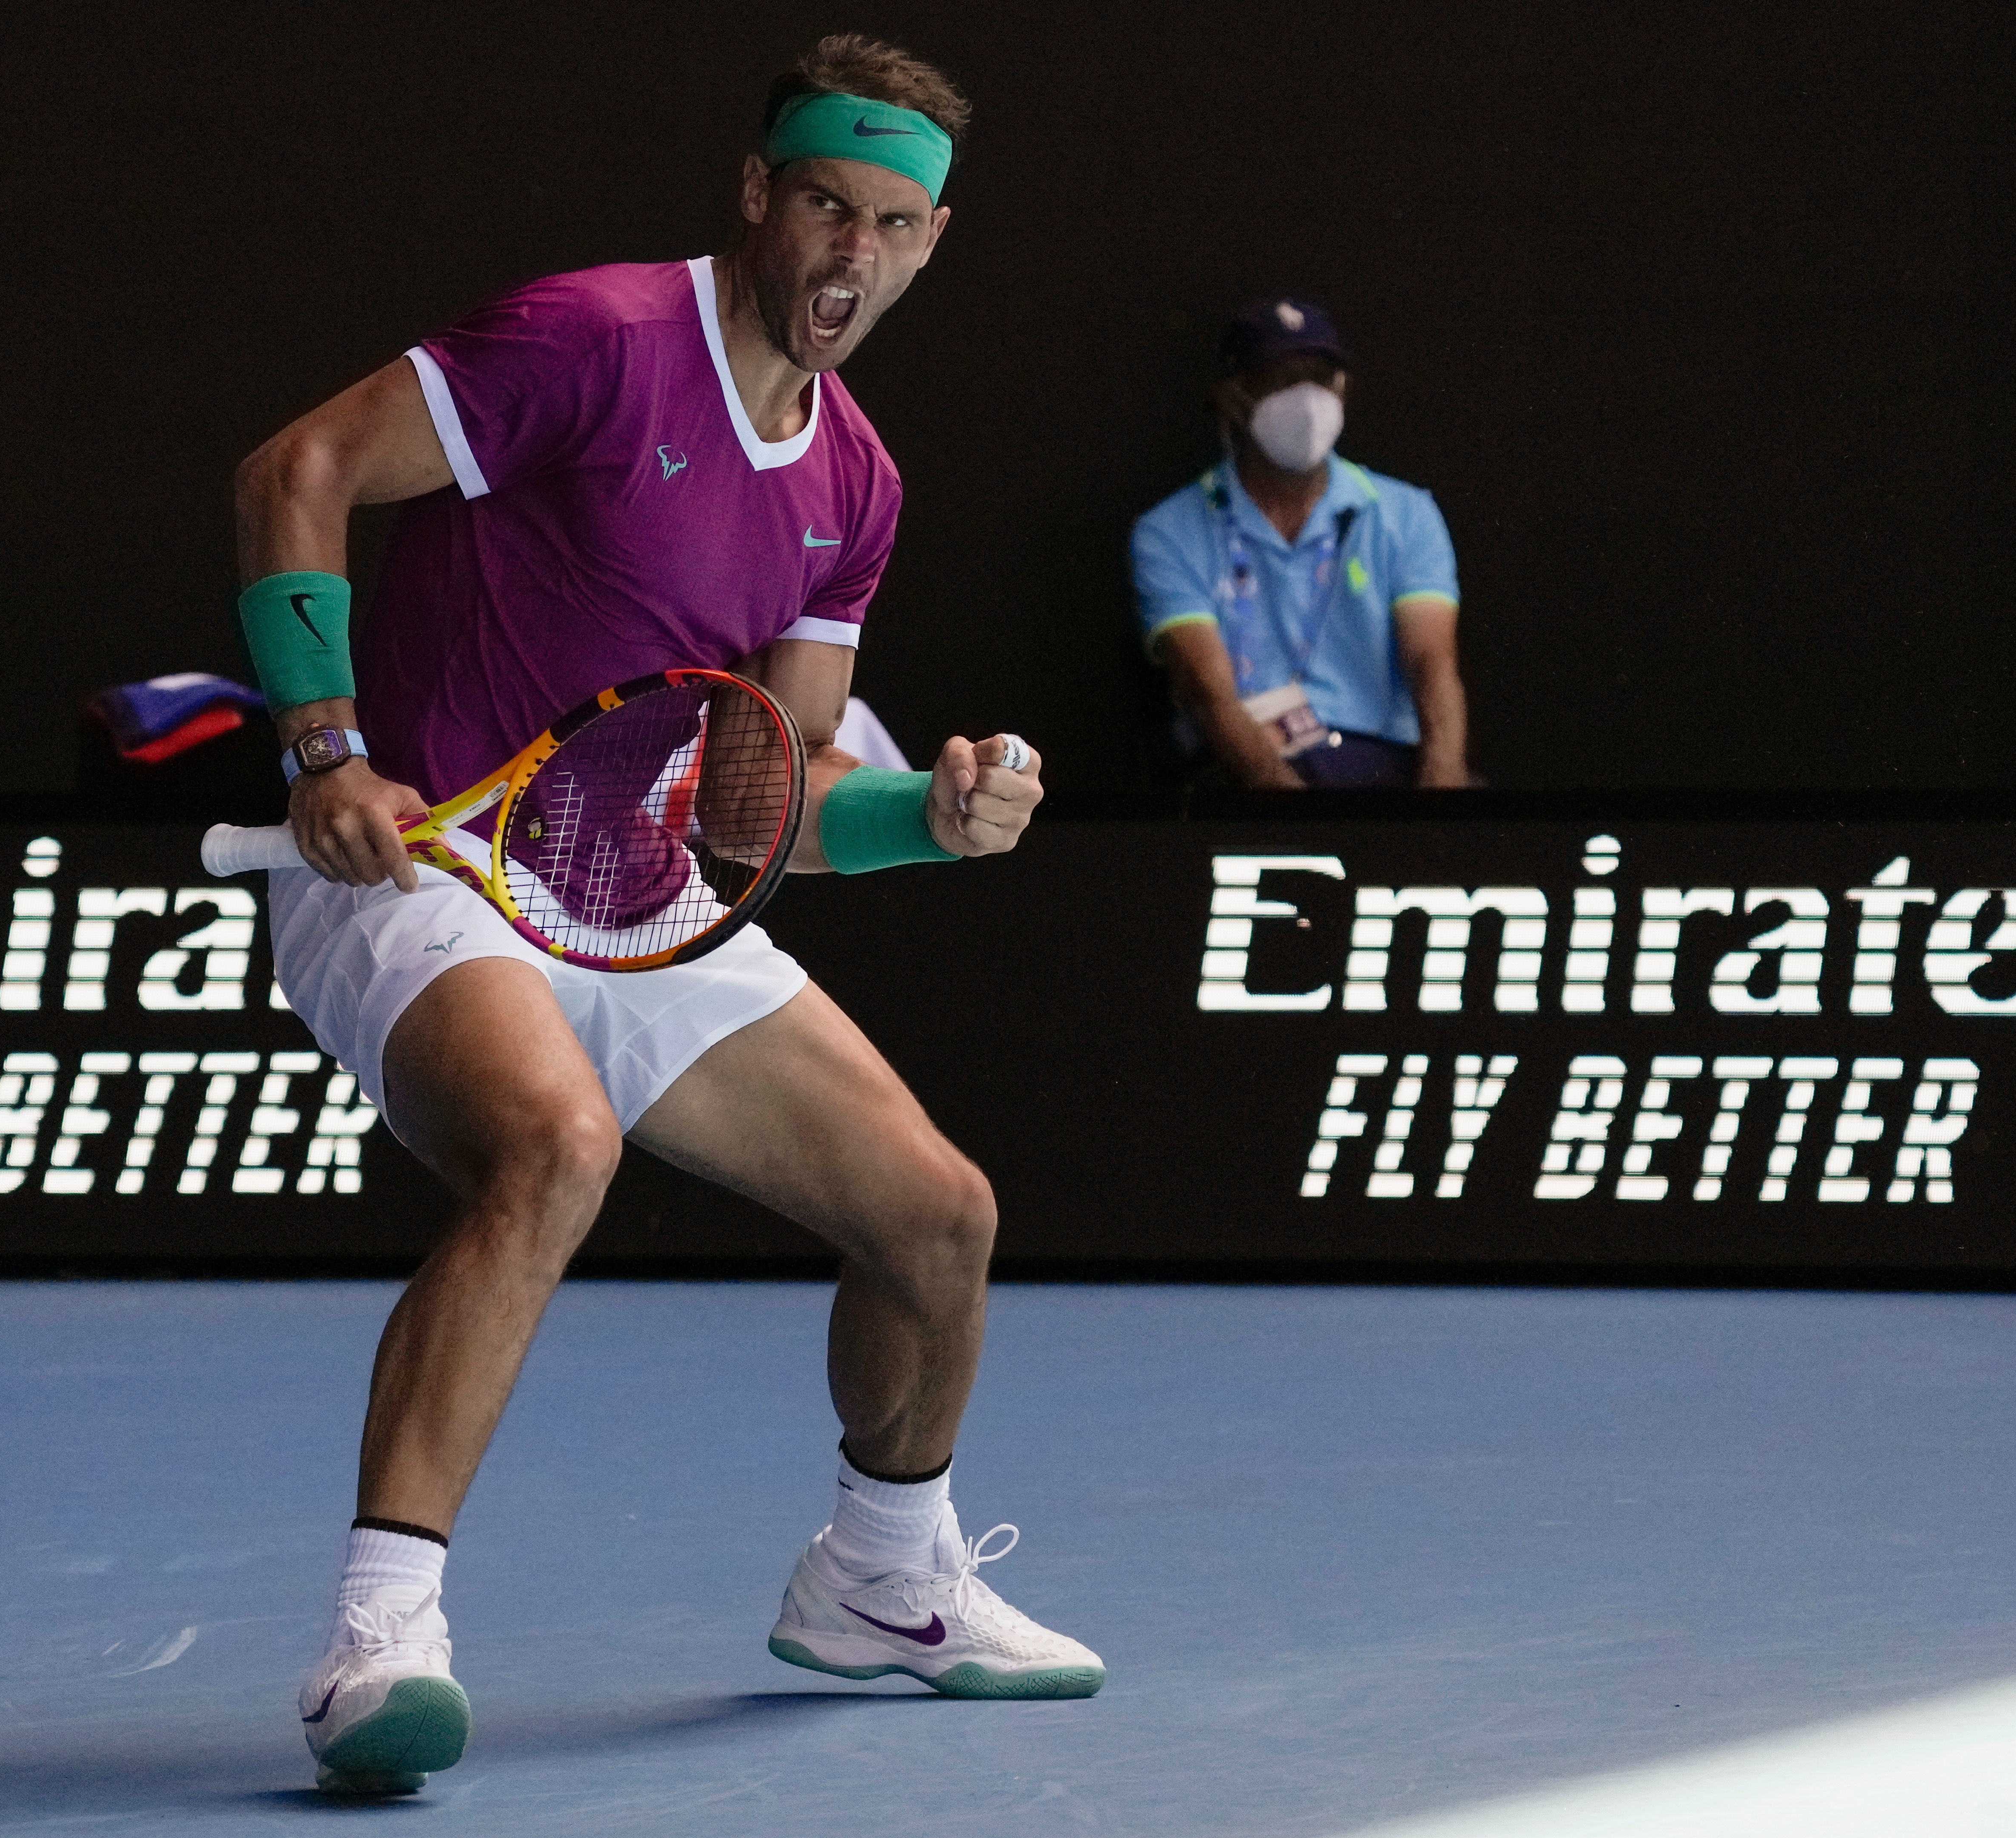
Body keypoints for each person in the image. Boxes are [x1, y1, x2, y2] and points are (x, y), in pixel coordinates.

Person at [229, 33, 1102, 1796]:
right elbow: (294, 468)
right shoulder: (593, 342)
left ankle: (878, 1577)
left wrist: (929, 823)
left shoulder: (850, 487)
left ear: (932, 241)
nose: (848, 253)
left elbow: (748, 817)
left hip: (622, 888)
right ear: (756, 196)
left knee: (934, 1217)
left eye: (891, 223)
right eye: (823, 207)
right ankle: (375, 1640)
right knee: (551, 1144)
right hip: (417, 863)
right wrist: (323, 748)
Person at [1131, 298, 1472, 789]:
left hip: (1382, 766)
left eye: (1318, 378)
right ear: (1232, 397)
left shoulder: (1405, 513)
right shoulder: (1168, 531)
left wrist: (1442, 795)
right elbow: (1207, 689)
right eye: (1281, 380)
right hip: (1243, 775)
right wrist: (1298, 818)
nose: (1306, 400)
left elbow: (1432, 663)